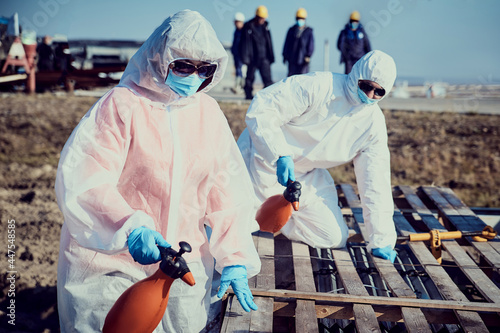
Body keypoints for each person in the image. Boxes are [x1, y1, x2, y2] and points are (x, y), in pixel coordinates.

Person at [55, 10, 261, 333]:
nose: (193, 76)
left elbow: (226, 191)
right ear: (158, 57)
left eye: (204, 69)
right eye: (182, 65)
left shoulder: (208, 114)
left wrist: (235, 256)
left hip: (180, 271)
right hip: (111, 264)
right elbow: (84, 178)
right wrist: (129, 227)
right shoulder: (122, 105)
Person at [237, 50, 398, 263]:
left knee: (332, 236)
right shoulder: (319, 86)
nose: (369, 95)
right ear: (355, 74)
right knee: (238, 227)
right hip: (261, 161)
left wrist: (381, 238)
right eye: (366, 86)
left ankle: (283, 219)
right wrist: (280, 154)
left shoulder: (373, 125)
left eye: (378, 92)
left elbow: (375, 181)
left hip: (306, 176)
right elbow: (263, 108)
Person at [240, 5, 275, 100]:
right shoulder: (248, 27)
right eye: (261, 18)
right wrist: (245, 58)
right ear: (257, 16)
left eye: (264, 18)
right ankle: (248, 96)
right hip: (252, 58)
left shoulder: (266, 27)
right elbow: (243, 43)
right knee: (249, 78)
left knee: (268, 79)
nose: (262, 20)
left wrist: (271, 57)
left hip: (264, 57)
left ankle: (268, 96)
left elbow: (269, 42)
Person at [282, 8, 314, 76]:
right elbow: (286, 44)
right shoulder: (291, 30)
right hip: (292, 59)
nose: (300, 20)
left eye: (301, 18)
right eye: (298, 18)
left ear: (304, 19)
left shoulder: (308, 31)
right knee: (291, 77)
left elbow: (311, 44)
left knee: (303, 78)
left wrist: (308, 55)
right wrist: (285, 55)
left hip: (303, 60)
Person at [231, 12, 245, 94]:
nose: (236, 24)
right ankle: (238, 87)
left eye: (237, 22)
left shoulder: (245, 32)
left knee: (241, 71)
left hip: (242, 55)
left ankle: (240, 87)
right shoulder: (236, 31)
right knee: (238, 70)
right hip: (236, 54)